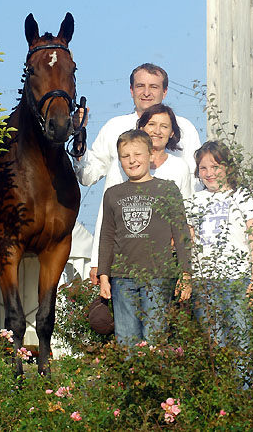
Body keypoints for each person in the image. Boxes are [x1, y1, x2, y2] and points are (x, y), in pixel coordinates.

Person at [73, 63, 201, 283]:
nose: (147, 92)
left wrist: (186, 244)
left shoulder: (185, 129)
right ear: (131, 90)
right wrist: (78, 136)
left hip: (169, 249)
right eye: (140, 86)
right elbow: (87, 176)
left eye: (154, 86)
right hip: (124, 251)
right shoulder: (115, 127)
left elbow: (195, 189)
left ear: (165, 91)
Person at [98, 129, 191, 346]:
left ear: (150, 155)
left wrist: (186, 273)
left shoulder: (166, 189)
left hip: (158, 276)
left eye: (137, 154)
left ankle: (156, 380)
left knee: (155, 340)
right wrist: (104, 275)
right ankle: (130, 380)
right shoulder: (113, 194)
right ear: (120, 160)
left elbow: (181, 232)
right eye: (125, 156)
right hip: (122, 277)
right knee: (127, 340)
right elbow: (107, 236)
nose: (132, 161)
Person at [186, 140, 253, 348]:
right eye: (203, 168)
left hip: (237, 279)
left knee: (240, 341)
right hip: (204, 281)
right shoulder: (194, 200)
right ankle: (219, 381)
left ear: (227, 167)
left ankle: (243, 382)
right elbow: (189, 243)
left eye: (215, 167)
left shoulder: (241, 196)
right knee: (214, 342)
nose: (209, 173)